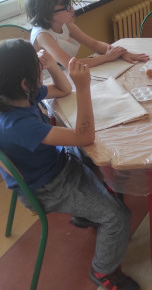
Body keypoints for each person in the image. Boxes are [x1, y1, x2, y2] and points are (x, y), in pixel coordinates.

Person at [0, 39, 139, 290]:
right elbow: (84, 136)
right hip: (48, 186)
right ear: (24, 83)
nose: (40, 66)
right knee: (118, 217)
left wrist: (53, 66)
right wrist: (83, 87)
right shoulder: (17, 125)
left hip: (52, 162)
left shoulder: (18, 96)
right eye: (36, 66)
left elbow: (63, 90)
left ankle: (85, 214)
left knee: (97, 153)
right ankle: (102, 271)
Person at [28, 0, 149, 69]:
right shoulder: (43, 36)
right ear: (47, 14)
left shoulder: (65, 24)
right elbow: (70, 64)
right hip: (46, 83)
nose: (72, 9)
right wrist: (107, 57)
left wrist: (122, 53)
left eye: (69, 4)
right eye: (66, 7)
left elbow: (95, 44)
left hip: (65, 74)